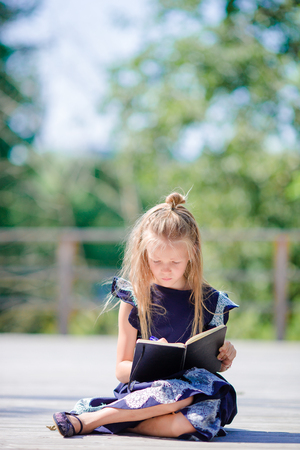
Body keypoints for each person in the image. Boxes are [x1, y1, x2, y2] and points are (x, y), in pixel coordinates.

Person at [52, 192, 238, 441]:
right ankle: (92, 420)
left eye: (174, 261)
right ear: (144, 252)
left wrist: (225, 356)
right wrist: (152, 362)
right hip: (149, 388)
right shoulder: (135, 299)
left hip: (197, 396)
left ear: (192, 253)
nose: (166, 269)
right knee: (171, 393)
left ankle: (121, 423)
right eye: (156, 260)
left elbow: (214, 365)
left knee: (195, 416)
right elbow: (121, 369)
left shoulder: (211, 303)